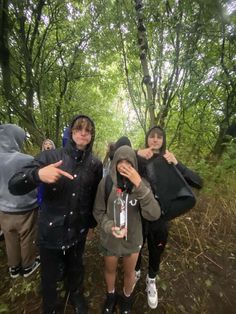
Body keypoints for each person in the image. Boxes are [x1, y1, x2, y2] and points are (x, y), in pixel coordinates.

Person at [9, 115, 103, 314]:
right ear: (71, 131)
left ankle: (75, 294)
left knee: (76, 267)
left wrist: (92, 225)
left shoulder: (95, 164)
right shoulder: (50, 157)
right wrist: (37, 175)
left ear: (92, 135)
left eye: (88, 130)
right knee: (49, 277)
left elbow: (94, 196)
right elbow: (14, 185)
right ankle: (50, 306)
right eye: (79, 129)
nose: (83, 133)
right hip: (50, 232)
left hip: (78, 230)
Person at [135, 126, 203, 309]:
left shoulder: (168, 160)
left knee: (157, 249)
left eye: (159, 137)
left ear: (163, 140)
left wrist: (177, 163)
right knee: (137, 246)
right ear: (147, 139)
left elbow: (198, 182)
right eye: (152, 136)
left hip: (161, 217)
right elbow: (115, 157)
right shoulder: (138, 159)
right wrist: (136, 153)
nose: (155, 140)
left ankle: (151, 279)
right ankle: (136, 271)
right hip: (140, 215)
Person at [93, 145, 161, 314]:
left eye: (128, 162)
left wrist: (139, 185)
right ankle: (110, 296)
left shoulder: (142, 184)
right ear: (114, 162)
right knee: (110, 269)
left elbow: (154, 214)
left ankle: (127, 298)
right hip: (111, 239)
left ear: (135, 165)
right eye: (120, 161)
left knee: (130, 272)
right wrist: (109, 227)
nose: (123, 165)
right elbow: (98, 211)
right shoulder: (106, 182)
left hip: (133, 239)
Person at [0, 124, 40, 279]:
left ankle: (14, 268)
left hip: (3, 209)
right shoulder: (27, 160)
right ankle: (28, 265)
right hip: (25, 208)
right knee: (27, 237)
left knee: (10, 238)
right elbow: (35, 184)